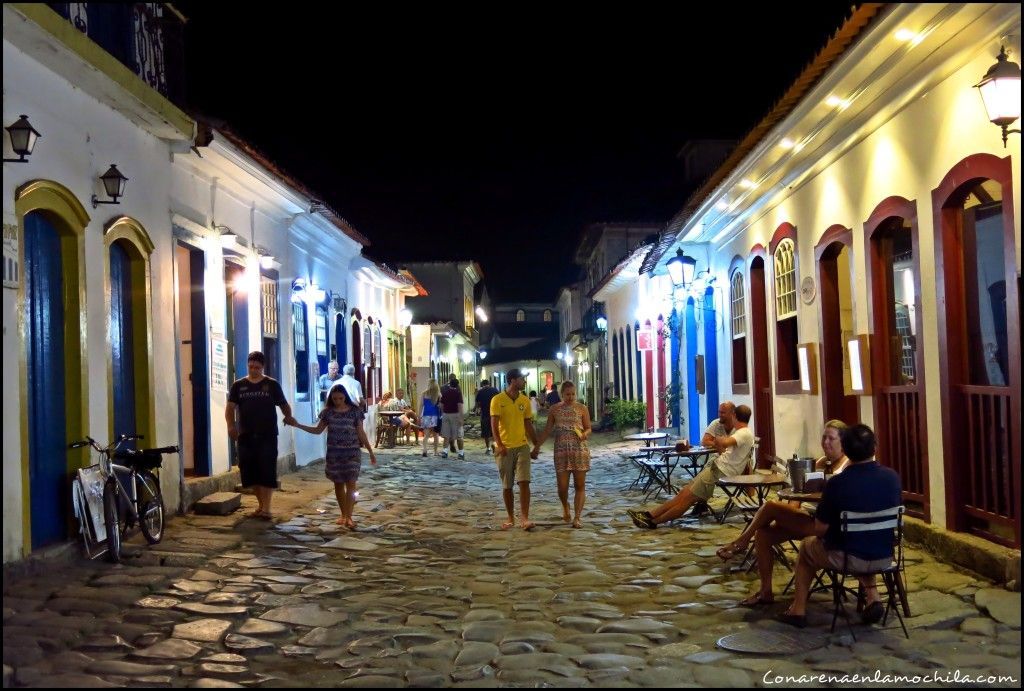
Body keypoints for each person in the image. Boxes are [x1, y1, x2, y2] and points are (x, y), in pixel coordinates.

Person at [715, 420, 852, 607]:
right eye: (824, 437)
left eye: (831, 438)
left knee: (771, 506)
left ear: (843, 442)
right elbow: (799, 491)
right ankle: (765, 591)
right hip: (809, 517)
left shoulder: (845, 466)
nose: (825, 442)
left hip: (827, 525)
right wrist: (791, 509)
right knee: (763, 534)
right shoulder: (819, 463)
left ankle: (741, 542)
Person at [777, 424, 901, 628]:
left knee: (808, 547)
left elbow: (819, 529)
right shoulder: (892, 477)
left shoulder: (838, 483)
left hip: (848, 557)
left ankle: (798, 609)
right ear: (874, 448)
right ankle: (873, 597)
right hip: (885, 555)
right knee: (860, 541)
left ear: (845, 449)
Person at [628, 404, 755, 528]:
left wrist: (720, 440)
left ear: (734, 416)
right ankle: (649, 515)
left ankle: (654, 522)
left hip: (720, 471)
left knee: (687, 500)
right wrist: (719, 443)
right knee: (683, 494)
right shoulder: (743, 432)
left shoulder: (742, 433)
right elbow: (722, 447)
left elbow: (725, 442)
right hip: (717, 467)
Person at [289, 384, 376, 529]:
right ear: (331, 399)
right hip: (335, 454)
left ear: (345, 397)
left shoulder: (355, 412)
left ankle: (349, 516)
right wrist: (298, 425)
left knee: (352, 484)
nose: (338, 401)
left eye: (341, 398)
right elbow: (318, 430)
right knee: (338, 484)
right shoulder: (327, 413)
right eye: (335, 399)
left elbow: (361, 432)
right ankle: (343, 514)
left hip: (352, 453)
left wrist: (370, 451)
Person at [225, 351, 295, 519]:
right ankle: (261, 505)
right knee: (250, 471)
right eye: (251, 367)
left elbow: (284, 404)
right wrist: (230, 426)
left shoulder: (271, 385)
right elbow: (230, 409)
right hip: (246, 435)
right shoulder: (238, 386)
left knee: (267, 470)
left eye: (257, 367)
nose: (253, 370)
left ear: (263, 367)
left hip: (267, 434)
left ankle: (267, 508)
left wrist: (288, 416)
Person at [536, 380, 592, 528]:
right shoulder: (554, 409)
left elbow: (588, 428)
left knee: (580, 485)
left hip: (579, 449)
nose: (571, 397)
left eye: (573, 394)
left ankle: (577, 517)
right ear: (562, 394)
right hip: (561, 449)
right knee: (562, 487)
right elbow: (548, 429)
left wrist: (585, 434)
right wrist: (537, 446)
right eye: (568, 394)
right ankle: (565, 505)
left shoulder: (582, 408)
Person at [490, 368, 541, 530]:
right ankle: (511, 517)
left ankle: (525, 518)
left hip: (522, 446)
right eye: (521, 379)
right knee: (507, 485)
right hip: (504, 447)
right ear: (512, 380)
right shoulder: (497, 400)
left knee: (524, 481)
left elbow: (528, 424)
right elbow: (494, 424)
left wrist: (536, 444)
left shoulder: (525, 401)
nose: (524, 381)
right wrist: (500, 444)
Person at [440, 375, 465, 459]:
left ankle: (445, 451)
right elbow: (460, 406)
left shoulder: (445, 393)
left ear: (449, 384)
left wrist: (444, 412)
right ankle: (461, 453)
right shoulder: (458, 393)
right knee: (459, 435)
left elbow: (441, 405)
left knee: (446, 435)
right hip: (456, 415)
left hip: (446, 415)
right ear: (457, 385)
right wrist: (461, 418)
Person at [474, 379, 499, 454]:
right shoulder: (495, 390)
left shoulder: (480, 392)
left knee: (485, 432)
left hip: (484, 414)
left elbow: (477, 403)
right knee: (494, 430)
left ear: (482, 385)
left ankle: (488, 448)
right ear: (489, 383)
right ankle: (495, 444)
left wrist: (476, 410)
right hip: (494, 414)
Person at [420, 378, 443, 457]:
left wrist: (419, 415)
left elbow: (421, 405)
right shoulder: (439, 394)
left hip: (426, 415)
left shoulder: (424, 394)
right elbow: (441, 406)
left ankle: (424, 450)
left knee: (426, 435)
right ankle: (435, 451)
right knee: (436, 435)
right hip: (435, 416)